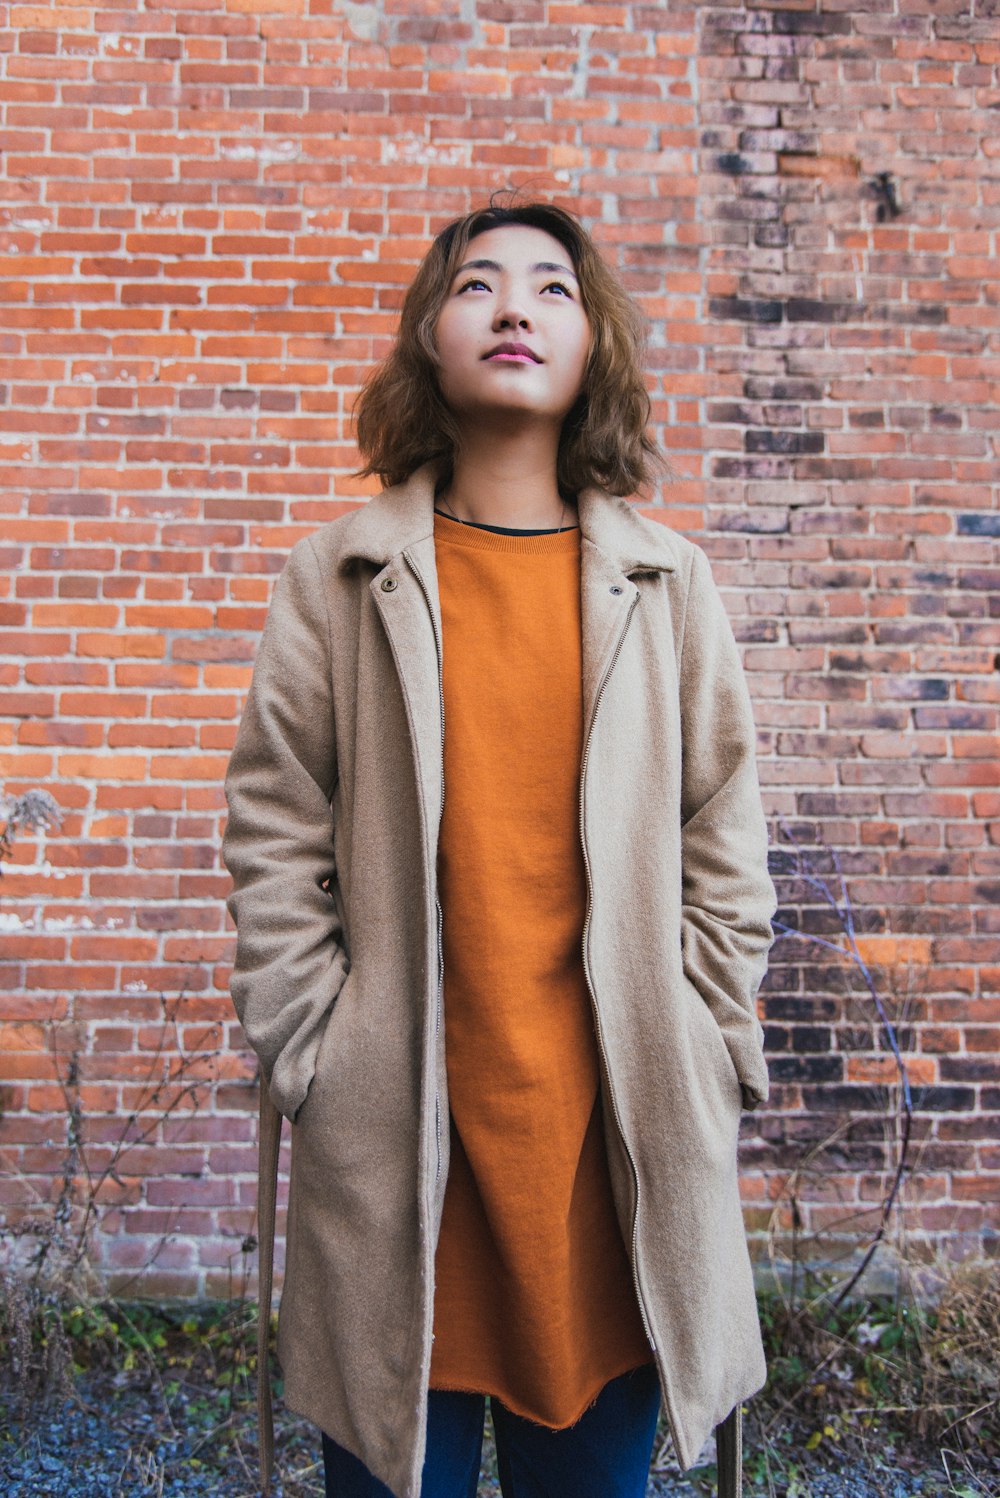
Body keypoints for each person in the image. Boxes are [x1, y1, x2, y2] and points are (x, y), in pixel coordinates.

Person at [221, 192, 777, 1498]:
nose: (516, 305)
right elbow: (274, 813)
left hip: (606, 1165)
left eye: (554, 288)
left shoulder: (667, 585)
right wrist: (311, 1043)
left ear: (595, 348)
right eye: (478, 284)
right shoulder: (340, 576)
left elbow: (722, 828)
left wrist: (704, 1038)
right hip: (393, 1148)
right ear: (428, 332)